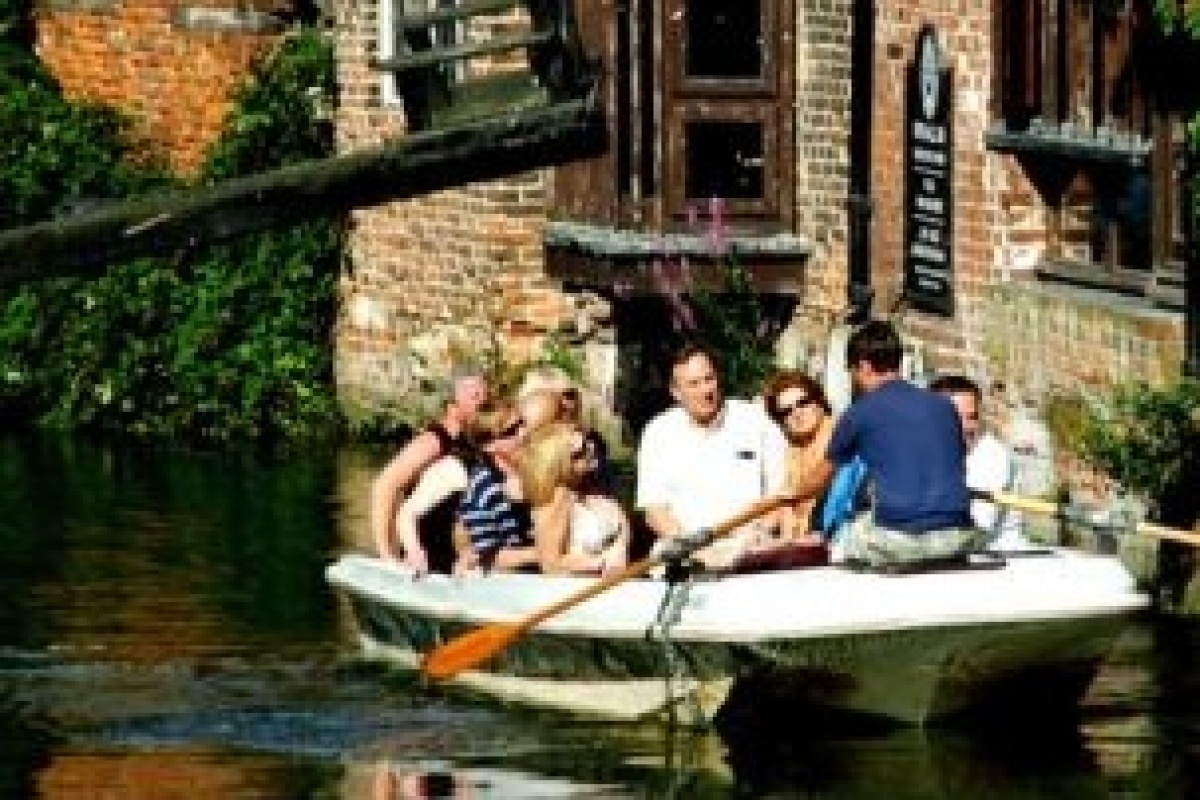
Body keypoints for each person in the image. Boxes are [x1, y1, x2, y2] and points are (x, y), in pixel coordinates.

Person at [788, 320, 984, 569]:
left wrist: (788, 495)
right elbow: (955, 465)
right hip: (959, 535)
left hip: (900, 541)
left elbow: (819, 481)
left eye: (852, 372)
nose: (854, 380)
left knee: (839, 535)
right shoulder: (944, 406)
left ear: (864, 366)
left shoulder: (859, 412)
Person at [635, 342, 788, 569]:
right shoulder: (658, 432)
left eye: (709, 379)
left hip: (748, 548)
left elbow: (780, 495)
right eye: (694, 384)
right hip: (683, 548)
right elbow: (654, 510)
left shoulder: (756, 422)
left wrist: (760, 532)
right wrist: (693, 546)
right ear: (676, 392)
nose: (706, 390)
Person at [372, 365, 488, 565]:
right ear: (452, 405)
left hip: (461, 555)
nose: (483, 402)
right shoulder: (434, 441)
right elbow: (384, 485)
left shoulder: (472, 440)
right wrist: (387, 554)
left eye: (485, 396)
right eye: (475, 397)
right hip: (429, 555)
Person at [929, 374, 1028, 549]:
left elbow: (971, 530)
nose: (967, 426)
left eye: (972, 417)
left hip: (998, 557)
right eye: (956, 417)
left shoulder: (992, 457)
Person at [520, 421, 631, 575]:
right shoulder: (556, 499)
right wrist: (601, 562)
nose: (591, 449)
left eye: (588, 442)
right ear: (560, 464)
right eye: (581, 451)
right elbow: (551, 563)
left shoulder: (589, 487)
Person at [453, 399, 540, 573]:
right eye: (511, 431)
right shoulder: (482, 490)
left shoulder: (538, 463)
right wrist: (543, 552)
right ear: (489, 446)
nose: (523, 433)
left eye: (522, 423)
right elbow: (489, 557)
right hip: (518, 577)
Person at [762, 369, 837, 540]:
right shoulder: (792, 452)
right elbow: (781, 503)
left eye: (803, 403)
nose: (797, 413)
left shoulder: (841, 439)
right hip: (800, 548)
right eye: (786, 411)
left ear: (819, 402)